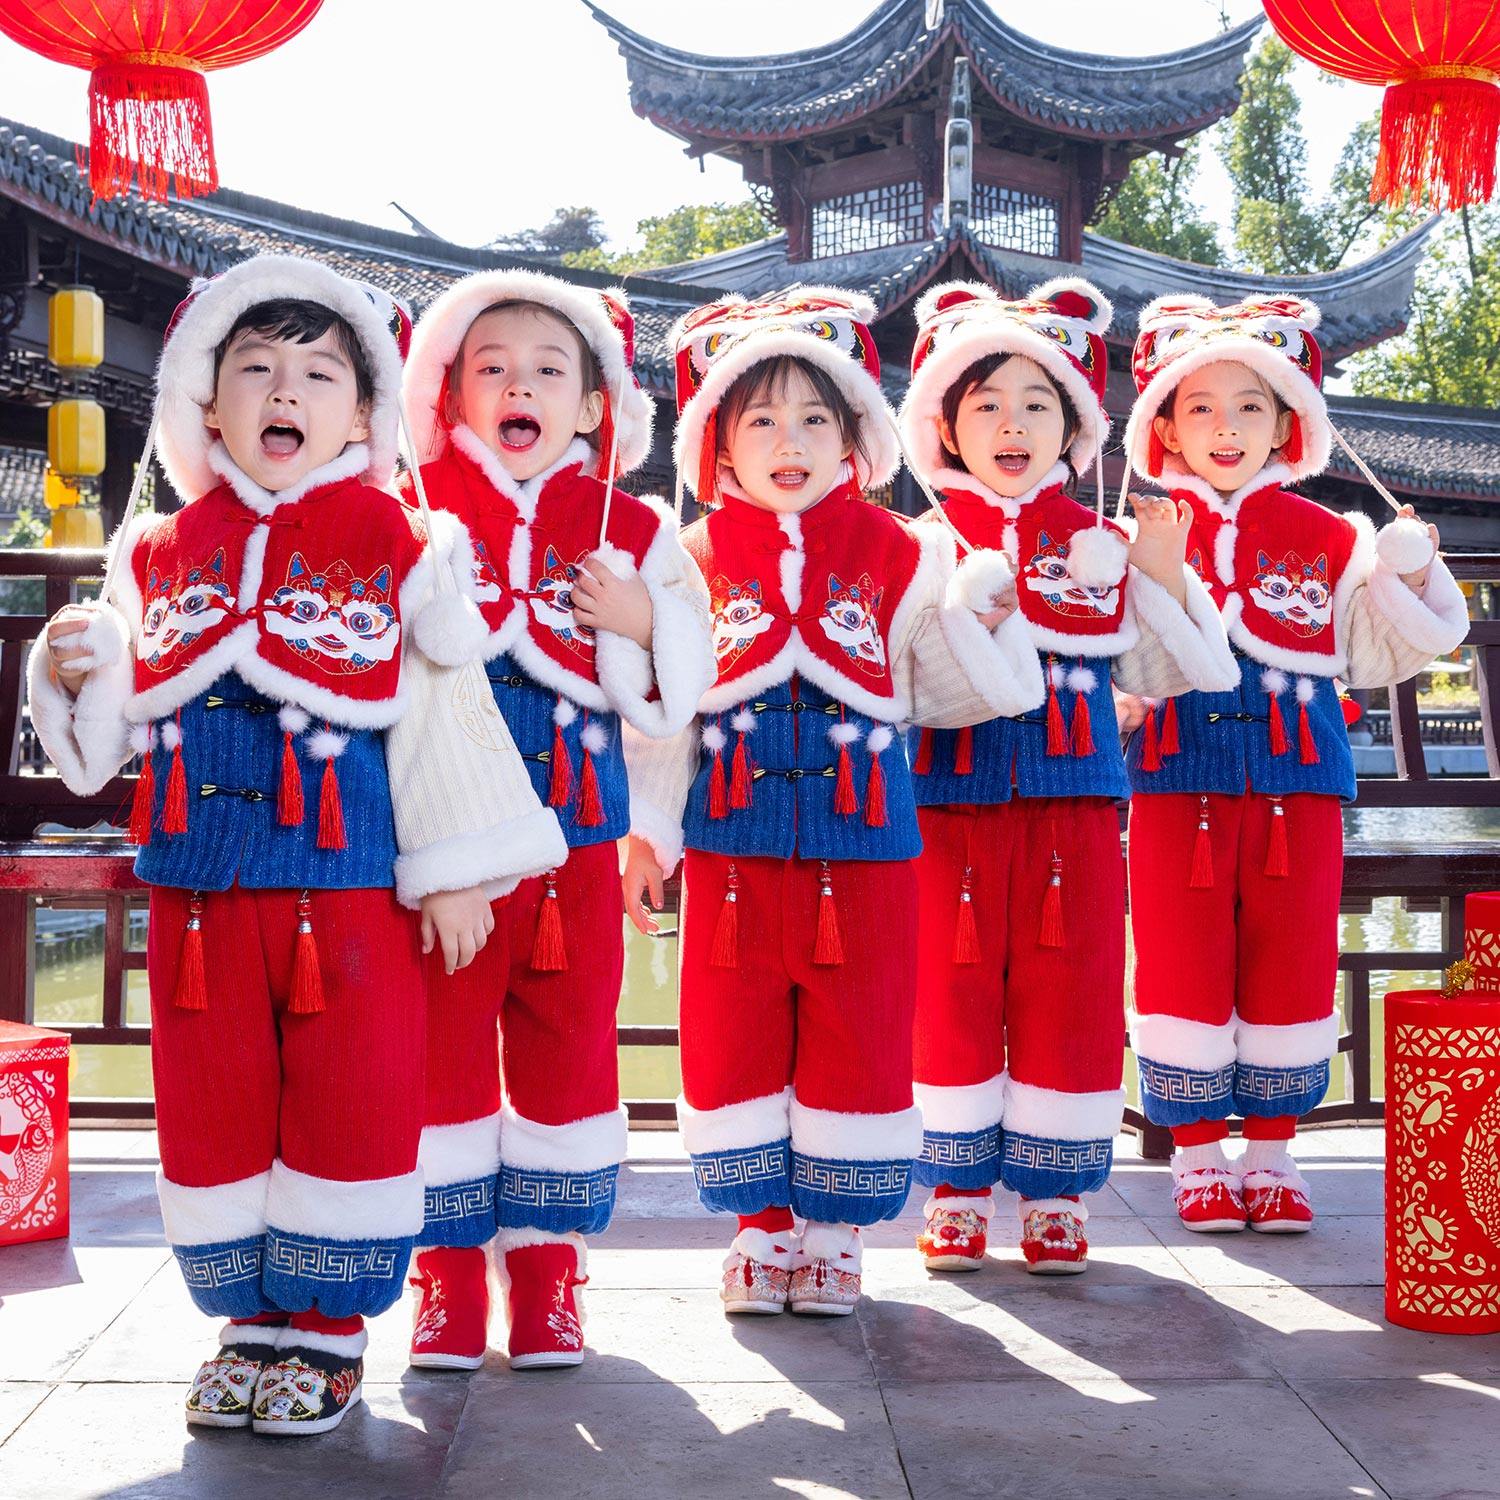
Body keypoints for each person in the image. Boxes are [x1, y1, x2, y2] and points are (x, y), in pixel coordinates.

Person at [29, 255, 563, 1434]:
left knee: (350, 1092)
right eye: (256, 369)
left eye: (318, 374)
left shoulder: (400, 539)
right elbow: (101, 744)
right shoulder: (157, 550)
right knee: (212, 1099)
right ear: (206, 404)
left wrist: (458, 869)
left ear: (364, 414)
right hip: (198, 898)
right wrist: (74, 665)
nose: (285, 391)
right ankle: (245, 1320)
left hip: (349, 894)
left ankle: (326, 1327)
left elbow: (443, 708)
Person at [622, 287, 1044, 1317]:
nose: (790, 441)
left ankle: (837, 1231)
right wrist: (647, 836)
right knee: (733, 1027)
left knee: (861, 1027)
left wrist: (982, 616)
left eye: (816, 417)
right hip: (732, 846)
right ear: (717, 444)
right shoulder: (690, 561)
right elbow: (669, 719)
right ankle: (760, 1226)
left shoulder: (907, 552)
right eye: (761, 419)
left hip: (867, 847)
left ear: (857, 435)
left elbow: (948, 691)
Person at [398, 271, 713, 1370]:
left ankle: (547, 1269)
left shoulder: (633, 526)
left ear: (593, 404)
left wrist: (645, 622)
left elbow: (679, 701)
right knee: (439, 1047)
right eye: (491, 368)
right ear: (450, 393)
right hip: (453, 849)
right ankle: (445, 1273)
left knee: (570, 1045)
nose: (518, 387)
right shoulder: (415, 515)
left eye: (547, 370)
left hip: (579, 842)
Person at [896, 278, 1239, 1273]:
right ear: (946, 427)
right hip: (948, 803)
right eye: (987, 405)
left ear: (1075, 427)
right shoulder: (921, 544)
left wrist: (1164, 571)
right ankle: (957, 1188)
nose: (1013, 425)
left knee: (1074, 988)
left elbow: (1179, 672)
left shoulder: (1105, 545)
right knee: (948, 990)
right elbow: (895, 680)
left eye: (1037, 404)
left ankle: (1054, 1192)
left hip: (1077, 803)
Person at [1121, 295, 1469, 1232]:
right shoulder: (1142, 531)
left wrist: (1411, 569)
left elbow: (1381, 650)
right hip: (1177, 782)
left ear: (1287, 424)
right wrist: (1155, 569)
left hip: (1297, 784)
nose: (1226, 427)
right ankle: (1198, 1153)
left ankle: (1274, 1151)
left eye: (1251, 406)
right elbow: (1119, 662)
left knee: (1295, 954)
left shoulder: (1330, 535)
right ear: (1166, 427)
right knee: (1179, 955)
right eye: (1201, 407)